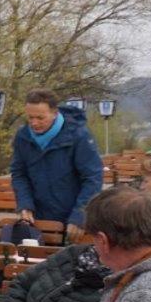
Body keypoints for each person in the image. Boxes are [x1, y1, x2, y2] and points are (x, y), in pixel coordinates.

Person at [9, 90, 104, 242]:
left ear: (54, 113)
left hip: (71, 220)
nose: (34, 123)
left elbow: (93, 178)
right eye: (30, 117)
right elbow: (19, 174)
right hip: (38, 220)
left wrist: (80, 215)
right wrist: (25, 204)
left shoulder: (79, 136)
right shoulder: (23, 137)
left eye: (40, 118)